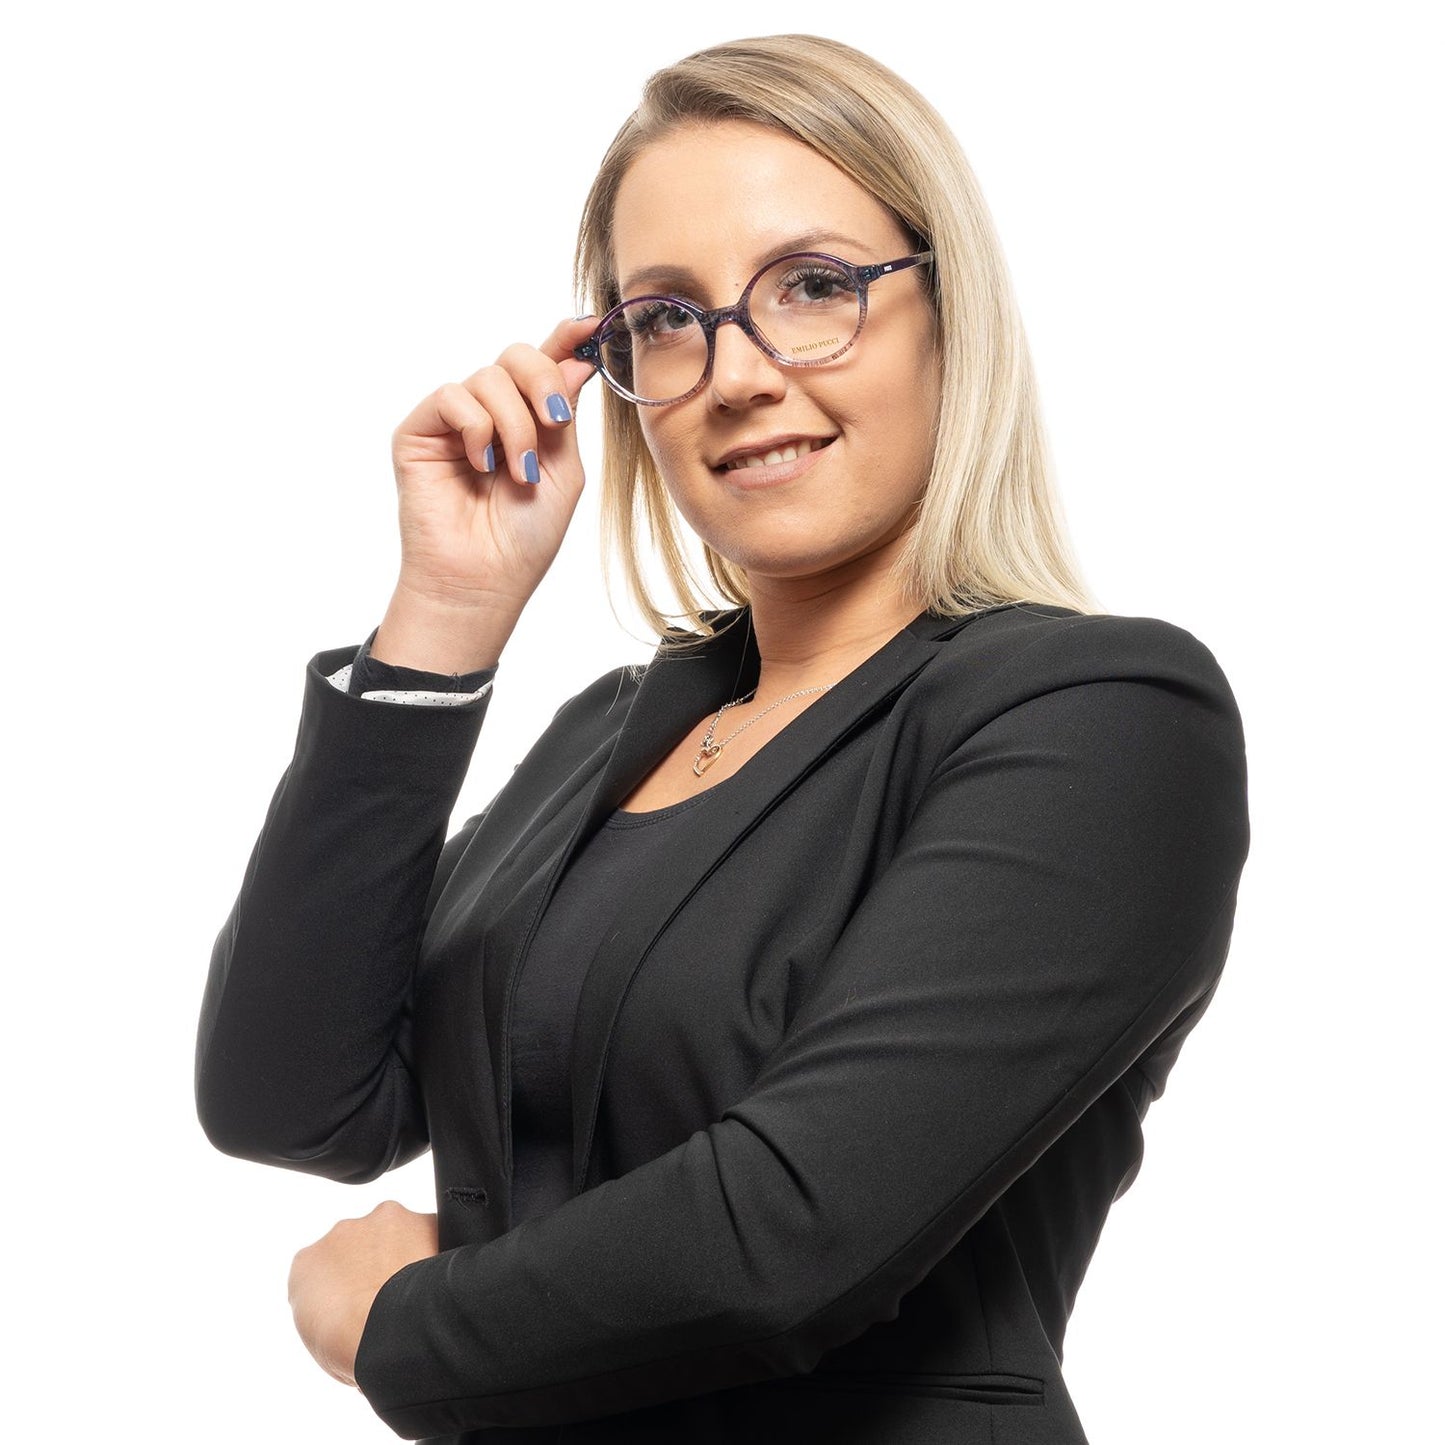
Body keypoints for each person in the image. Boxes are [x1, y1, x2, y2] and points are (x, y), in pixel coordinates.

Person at [196, 32, 1249, 1445]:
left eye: (813, 287)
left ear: (949, 313)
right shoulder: (612, 735)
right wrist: (442, 621)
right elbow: (293, 1096)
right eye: (668, 319)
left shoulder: (1100, 718)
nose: (735, 372)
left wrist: (392, 1326)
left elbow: (787, 1236)